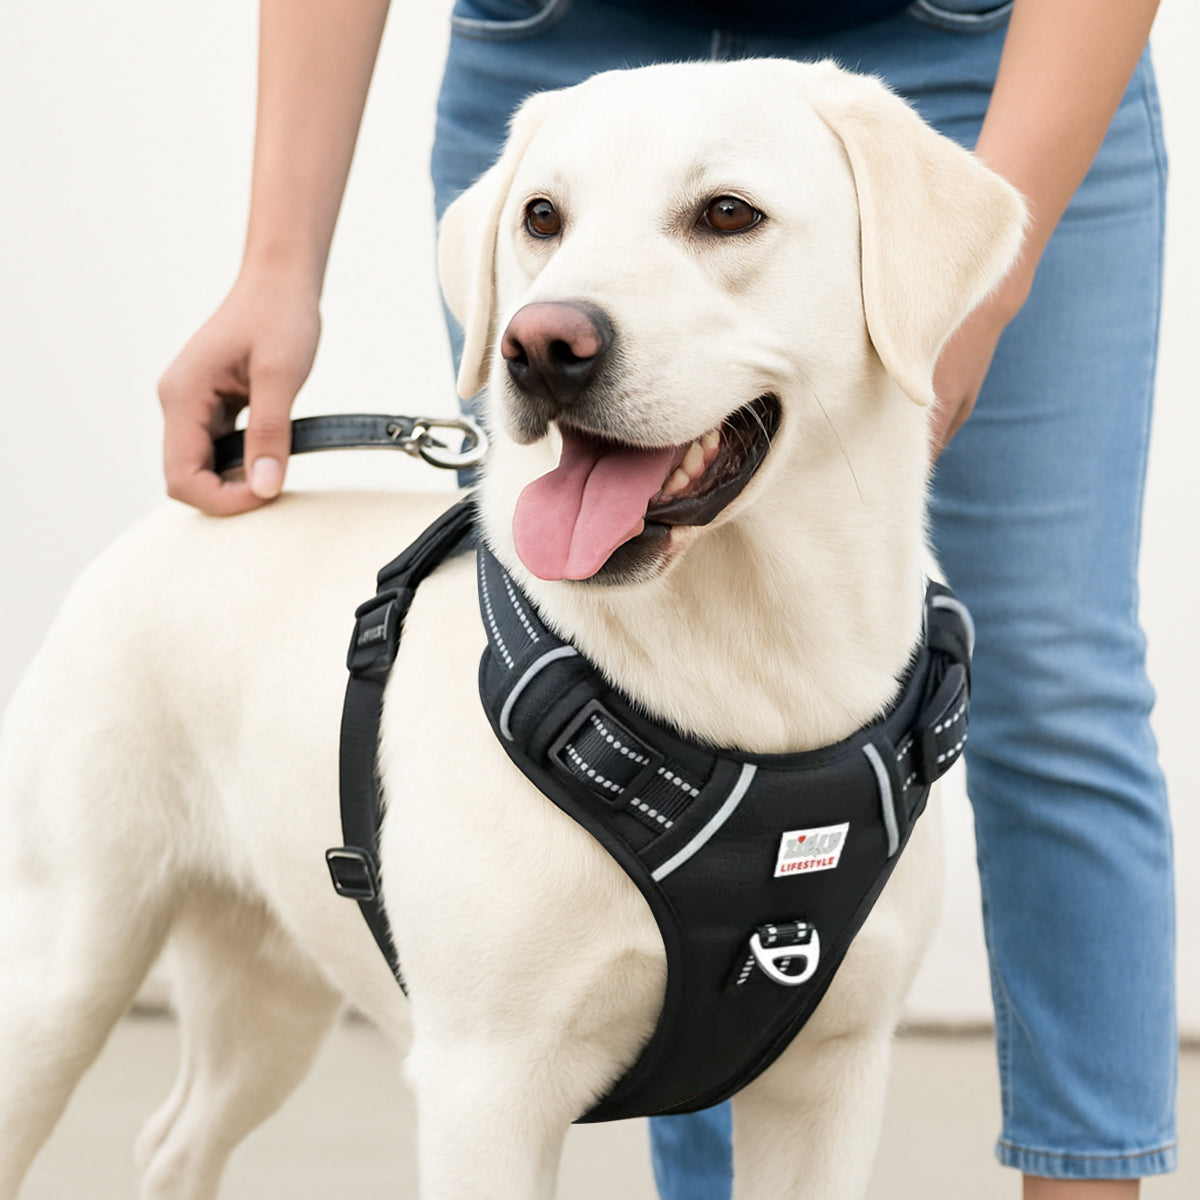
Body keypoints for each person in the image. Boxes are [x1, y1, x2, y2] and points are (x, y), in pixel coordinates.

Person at [157, 1, 1177, 1196]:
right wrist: (277, 262)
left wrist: (974, 291)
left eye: (723, 220)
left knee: (1056, 687)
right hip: (559, 38)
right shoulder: (547, 192)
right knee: (642, 740)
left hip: (985, 54)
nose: (548, 324)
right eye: (541, 233)